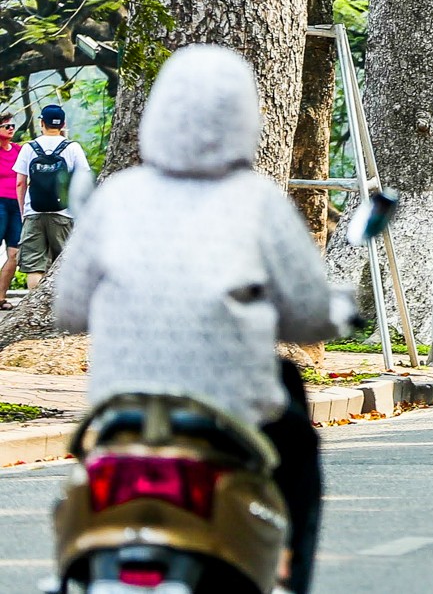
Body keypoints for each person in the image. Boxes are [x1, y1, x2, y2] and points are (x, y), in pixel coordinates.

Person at [53, 46, 339, 594]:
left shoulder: (118, 197)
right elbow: (307, 314)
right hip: (230, 420)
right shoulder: (257, 202)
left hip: (122, 416)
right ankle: (289, 578)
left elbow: (68, 307)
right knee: (297, 448)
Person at [14, 103, 94, 290]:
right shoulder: (73, 148)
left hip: (33, 212)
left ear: (41, 122)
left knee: (35, 267)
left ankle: (34, 308)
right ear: (63, 123)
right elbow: (83, 181)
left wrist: (23, 211)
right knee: (64, 265)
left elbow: (20, 183)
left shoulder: (29, 148)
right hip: (64, 213)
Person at [0, 113, 19, 310]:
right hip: (0, 203)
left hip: (16, 204)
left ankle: (0, 297)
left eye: (12, 126)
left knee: (14, 252)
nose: (11, 129)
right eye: (6, 126)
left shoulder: (18, 150)